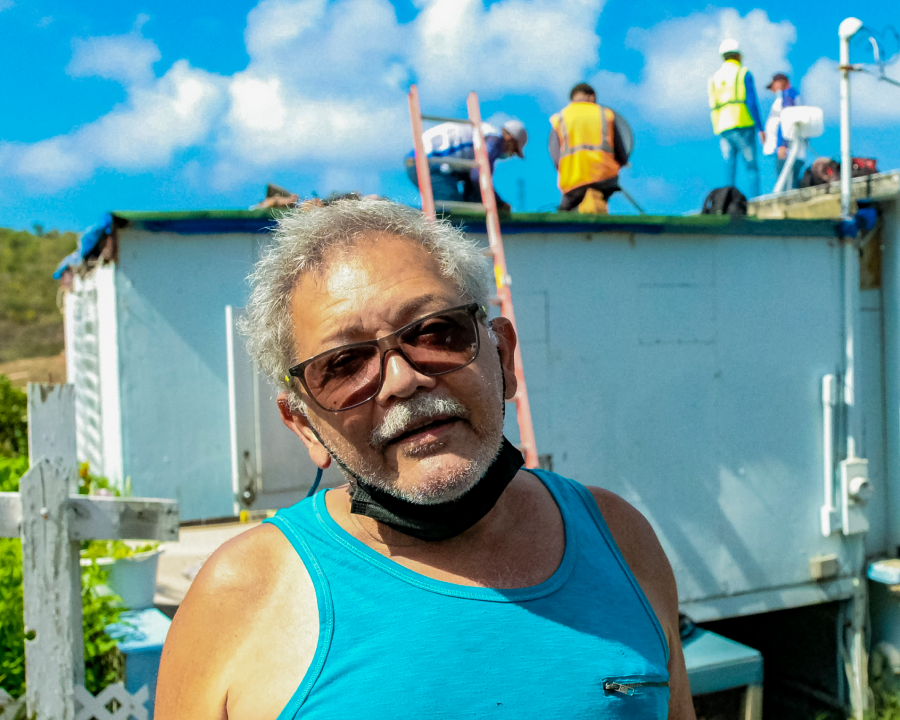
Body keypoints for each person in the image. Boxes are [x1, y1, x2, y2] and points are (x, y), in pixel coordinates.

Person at [154, 198, 696, 719]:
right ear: (303, 425)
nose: (403, 379)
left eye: (436, 331)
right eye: (343, 364)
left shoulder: (621, 540)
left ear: (502, 355)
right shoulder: (240, 596)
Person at [406, 119, 527, 210]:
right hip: (426, 162)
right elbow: (478, 176)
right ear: (509, 139)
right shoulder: (495, 140)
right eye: (514, 150)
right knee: (452, 209)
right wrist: (498, 203)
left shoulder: (485, 134)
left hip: (424, 160)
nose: (510, 155)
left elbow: (473, 176)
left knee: (470, 194)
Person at [549, 83, 632, 213]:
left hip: (573, 181)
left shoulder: (560, 118)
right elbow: (620, 151)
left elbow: (555, 156)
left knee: (565, 213)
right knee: (600, 202)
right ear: (592, 97)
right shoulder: (606, 115)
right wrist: (622, 163)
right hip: (605, 179)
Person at [708, 39, 764, 198]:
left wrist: (717, 127)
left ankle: (726, 201)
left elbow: (712, 104)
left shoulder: (715, 78)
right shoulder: (743, 73)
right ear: (738, 55)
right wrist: (760, 127)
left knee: (729, 167)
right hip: (743, 123)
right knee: (751, 166)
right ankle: (755, 199)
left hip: (723, 127)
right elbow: (752, 102)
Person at [762, 73, 803, 191]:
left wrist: (782, 144)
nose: (773, 89)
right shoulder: (795, 95)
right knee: (792, 183)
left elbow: (786, 120)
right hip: (796, 149)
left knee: (785, 185)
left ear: (781, 81)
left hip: (788, 150)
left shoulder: (788, 95)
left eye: (773, 85)